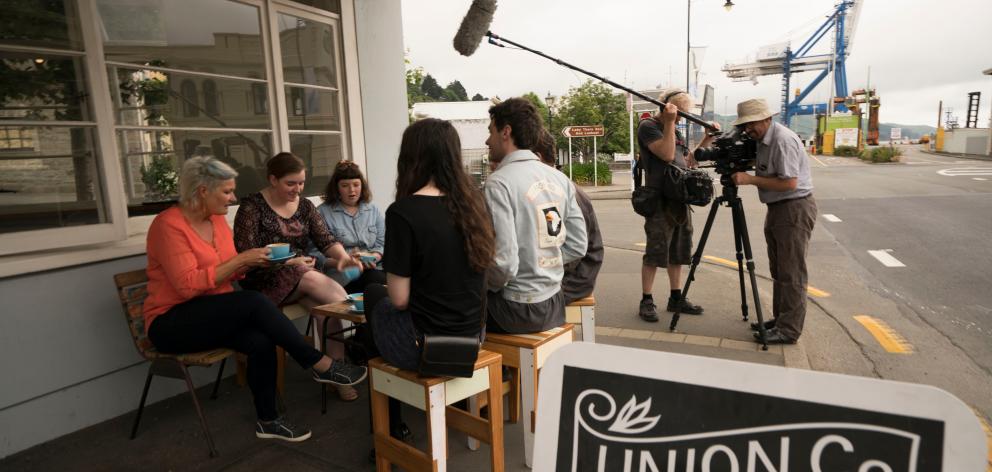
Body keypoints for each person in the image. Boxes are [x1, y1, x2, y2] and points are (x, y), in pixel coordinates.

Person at [143, 156, 367, 442]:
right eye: (226, 191)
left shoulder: (216, 221)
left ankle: (269, 420)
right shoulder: (168, 226)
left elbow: (233, 273)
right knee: (252, 301)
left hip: (214, 314)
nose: (233, 197)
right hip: (172, 323)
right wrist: (244, 259)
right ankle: (319, 363)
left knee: (261, 340)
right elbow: (187, 287)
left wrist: (266, 260)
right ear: (202, 191)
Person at [362, 118, 495, 444]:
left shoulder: (403, 212)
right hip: (473, 339)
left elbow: (400, 300)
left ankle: (389, 426)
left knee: (372, 295)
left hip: (424, 347)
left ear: (411, 157)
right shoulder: (473, 203)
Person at [233, 152, 365, 401]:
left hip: (300, 275)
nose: (298, 189)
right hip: (263, 280)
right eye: (290, 183)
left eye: (301, 182)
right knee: (314, 279)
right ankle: (358, 325)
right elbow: (245, 253)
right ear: (273, 179)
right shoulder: (252, 207)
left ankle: (334, 370)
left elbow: (324, 238)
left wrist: (343, 257)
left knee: (324, 309)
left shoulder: (304, 206)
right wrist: (288, 261)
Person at [483, 97, 587, 333]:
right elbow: (578, 245)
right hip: (554, 302)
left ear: (506, 132)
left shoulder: (499, 183)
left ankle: (503, 370)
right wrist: (544, 264)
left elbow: (505, 265)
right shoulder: (559, 178)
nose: (487, 140)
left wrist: (484, 283)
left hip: (514, 309)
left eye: (491, 131)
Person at [729, 98, 816, 344]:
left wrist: (750, 180)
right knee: (779, 270)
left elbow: (789, 182)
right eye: (745, 125)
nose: (748, 130)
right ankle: (780, 320)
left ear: (767, 118)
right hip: (778, 208)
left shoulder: (783, 140)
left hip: (793, 208)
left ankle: (789, 330)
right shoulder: (762, 140)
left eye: (752, 124)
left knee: (792, 273)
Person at [636, 89, 718, 322]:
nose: (681, 117)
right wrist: (670, 122)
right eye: (679, 112)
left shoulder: (675, 130)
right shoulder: (649, 126)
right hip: (659, 198)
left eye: (685, 113)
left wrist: (707, 138)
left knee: (680, 252)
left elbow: (687, 161)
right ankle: (647, 300)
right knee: (655, 251)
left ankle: (675, 297)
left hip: (680, 198)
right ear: (665, 106)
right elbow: (667, 154)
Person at [533, 129, 603, 304]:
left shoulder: (555, 192)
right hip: (574, 274)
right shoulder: (554, 186)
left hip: (573, 281)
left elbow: (574, 252)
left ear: (536, 158)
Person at [311, 160, 387, 293]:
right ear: (336, 188)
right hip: (341, 275)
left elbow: (383, 242)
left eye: (356, 185)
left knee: (381, 282)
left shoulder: (372, 210)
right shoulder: (322, 212)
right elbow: (314, 253)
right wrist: (342, 261)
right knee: (377, 286)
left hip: (373, 269)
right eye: (345, 185)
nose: (352, 190)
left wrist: (374, 256)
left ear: (362, 186)